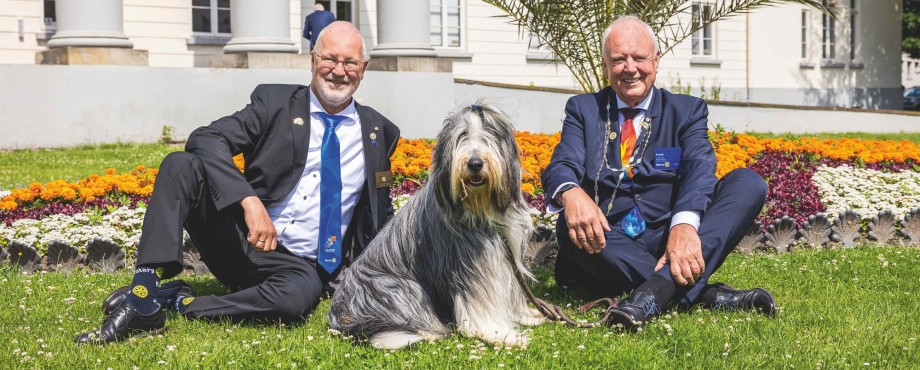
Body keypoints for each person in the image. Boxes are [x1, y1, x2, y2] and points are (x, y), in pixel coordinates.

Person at [75, 21, 401, 344]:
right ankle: (142, 295)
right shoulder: (274, 104)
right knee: (180, 165)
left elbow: (379, 211)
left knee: (295, 300)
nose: (339, 71)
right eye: (330, 58)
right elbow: (206, 138)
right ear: (313, 60)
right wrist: (249, 201)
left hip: (299, 268)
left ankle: (178, 301)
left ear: (364, 67)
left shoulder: (380, 132)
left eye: (350, 62)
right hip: (240, 240)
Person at [541, 16, 774, 331]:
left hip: (668, 235)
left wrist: (684, 226)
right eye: (619, 60)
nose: (630, 67)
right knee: (568, 225)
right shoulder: (584, 110)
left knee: (748, 183)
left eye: (639, 57)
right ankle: (702, 295)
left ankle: (655, 293)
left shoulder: (686, 110)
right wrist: (571, 193)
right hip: (610, 240)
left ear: (656, 60)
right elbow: (562, 163)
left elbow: (699, 168)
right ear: (606, 66)